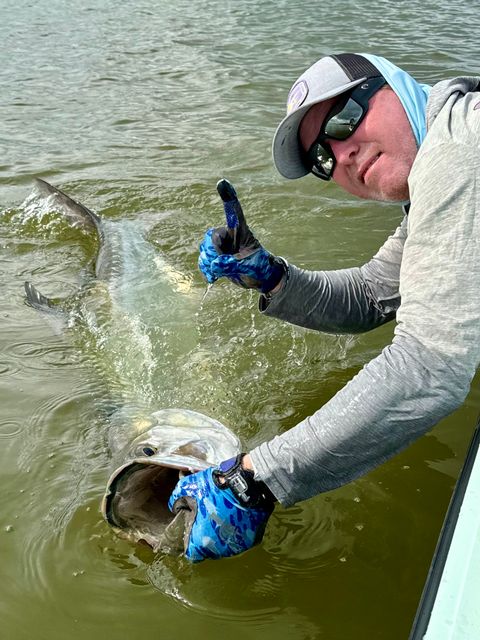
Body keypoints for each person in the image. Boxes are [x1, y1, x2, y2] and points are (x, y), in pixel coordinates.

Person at [168, 52, 480, 562]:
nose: (343, 155)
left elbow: (431, 364)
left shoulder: (461, 146)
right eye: (322, 158)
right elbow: (373, 293)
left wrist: (252, 481)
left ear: (396, 86)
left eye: (343, 119)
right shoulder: (436, 183)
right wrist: (271, 277)